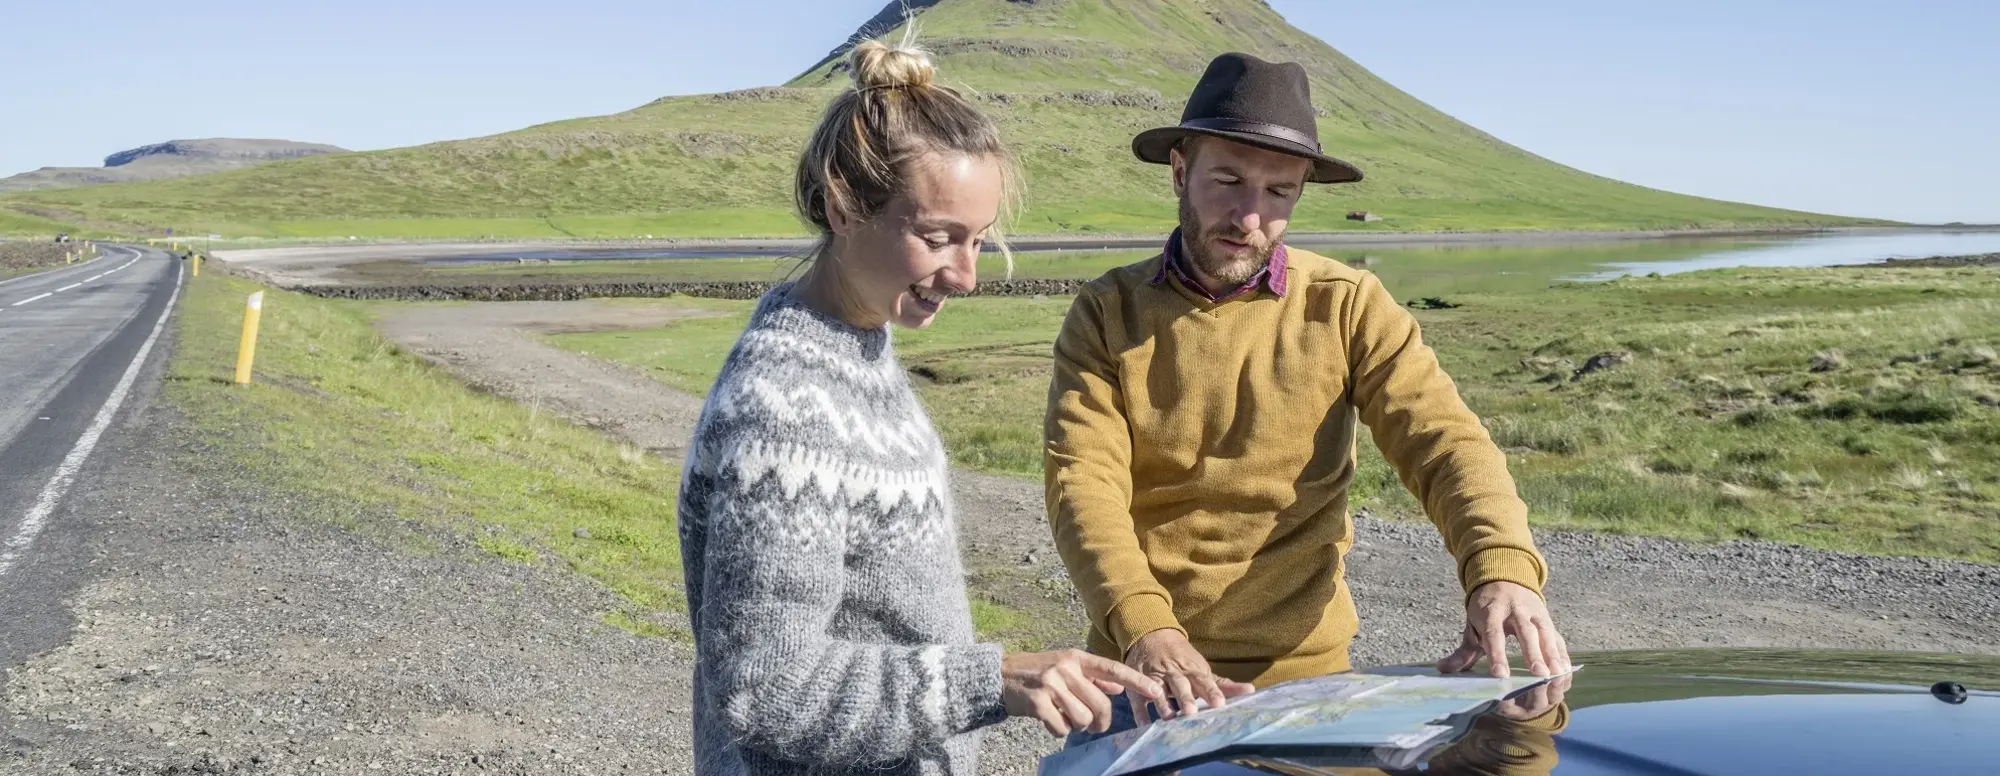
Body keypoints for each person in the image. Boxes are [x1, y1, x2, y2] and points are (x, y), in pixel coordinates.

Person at [1043, 52, 1573, 742]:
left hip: (1309, 686)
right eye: (1227, 180)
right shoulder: (1107, 312)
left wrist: (1501, 570)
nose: (1249, 216)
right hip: (1141, 680)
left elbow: (1445, 444)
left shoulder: (1348, 306)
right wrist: (1147, 627)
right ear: (1180, 170)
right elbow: (1083, 484)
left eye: (1279, 192)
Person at [677, 39, 1163, 776]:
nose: (966, 275)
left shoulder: (856, 350)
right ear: (844, 207)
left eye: (978, 240)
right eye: (938, 238)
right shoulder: (784, 413)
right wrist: (993, 681)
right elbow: (765, 691)